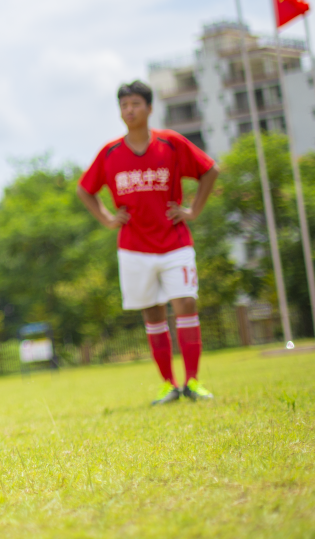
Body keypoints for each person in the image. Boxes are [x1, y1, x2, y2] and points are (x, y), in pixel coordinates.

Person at [77, 81, 219, 405]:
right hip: (133, 247)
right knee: (153, 316)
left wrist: (193, 210)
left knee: (185, 303)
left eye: (136, 104)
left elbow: (210, 170)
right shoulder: (110, 152)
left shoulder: (171, 143)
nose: (130, 110)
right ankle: (167, 385)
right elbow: (85, 189)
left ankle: (193, 381)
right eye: (124, 105)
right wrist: (107, 218)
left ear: (150, 108)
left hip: (175, 242)